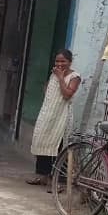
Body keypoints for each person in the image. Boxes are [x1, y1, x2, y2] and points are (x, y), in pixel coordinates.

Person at [28, 49, 82, 185]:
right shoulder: (54, 74)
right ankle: (42, 176)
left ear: (70, 62)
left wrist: (60, 78)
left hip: (61, 116)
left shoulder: (74, 77)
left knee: (56, 146)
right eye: (57, 61)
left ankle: (54, 180)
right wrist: (54, 78)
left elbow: (67, 94)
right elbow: (48, 91)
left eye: (63, 61)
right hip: (48, 114)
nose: (59, 64)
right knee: (42, 142)